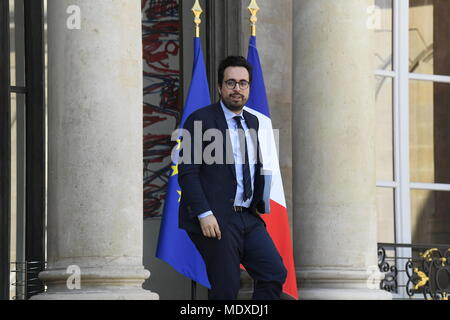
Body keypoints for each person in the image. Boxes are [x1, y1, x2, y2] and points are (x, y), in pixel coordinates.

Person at [178, 56, 287, 300]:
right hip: (215, 219)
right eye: (231, 83)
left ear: (249, 87)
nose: (237, 89)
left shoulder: (254, 121)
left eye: (243, 83)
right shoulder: (200, 120)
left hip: (248, 216)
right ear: (220, 87)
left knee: (273, 272)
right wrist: (204, 214)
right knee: (226, 289)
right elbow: (188, 172)